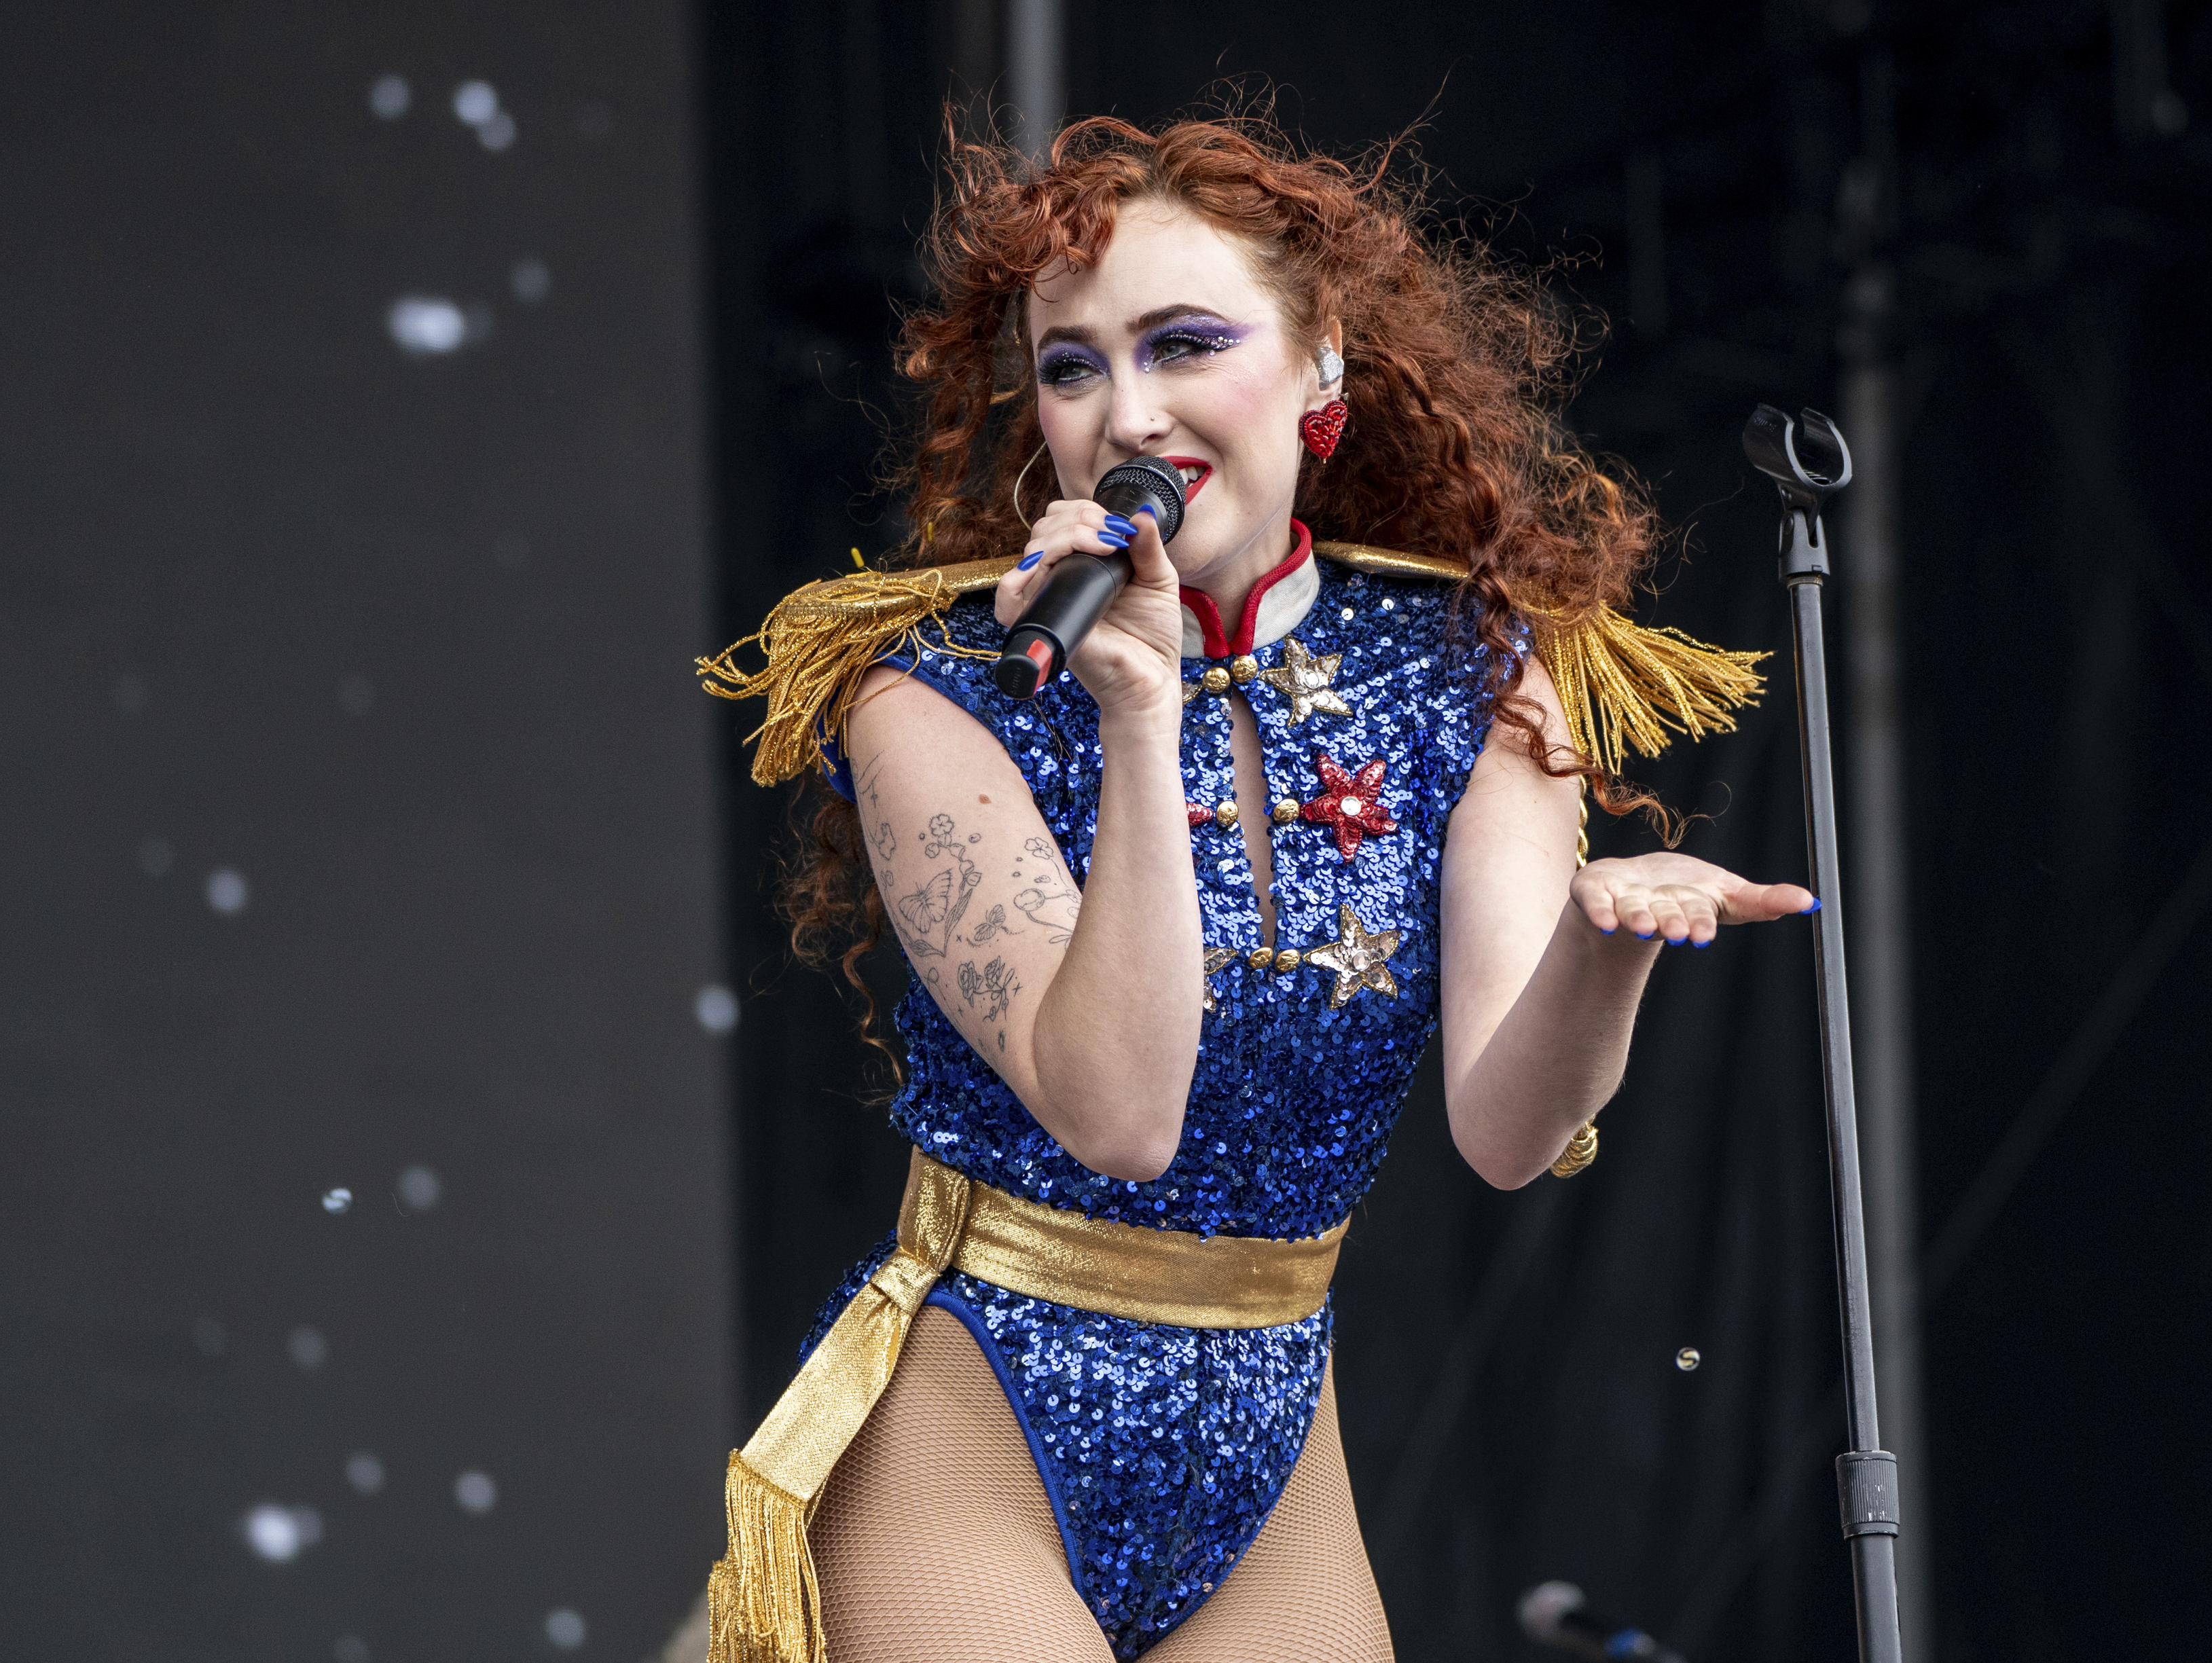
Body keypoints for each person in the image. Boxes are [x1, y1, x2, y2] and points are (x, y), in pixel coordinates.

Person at [695, 111, 1813, 1663]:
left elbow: (1506, 1132)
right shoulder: (931, 692)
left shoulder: (1469, 665)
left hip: (1271, 1427)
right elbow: (1121, 1115)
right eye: (1074, 365)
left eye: (1183, 343)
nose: (1125, 411)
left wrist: (1603, 944)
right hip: (987, 1413)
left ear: (1322, 364)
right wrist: (1136, 715)